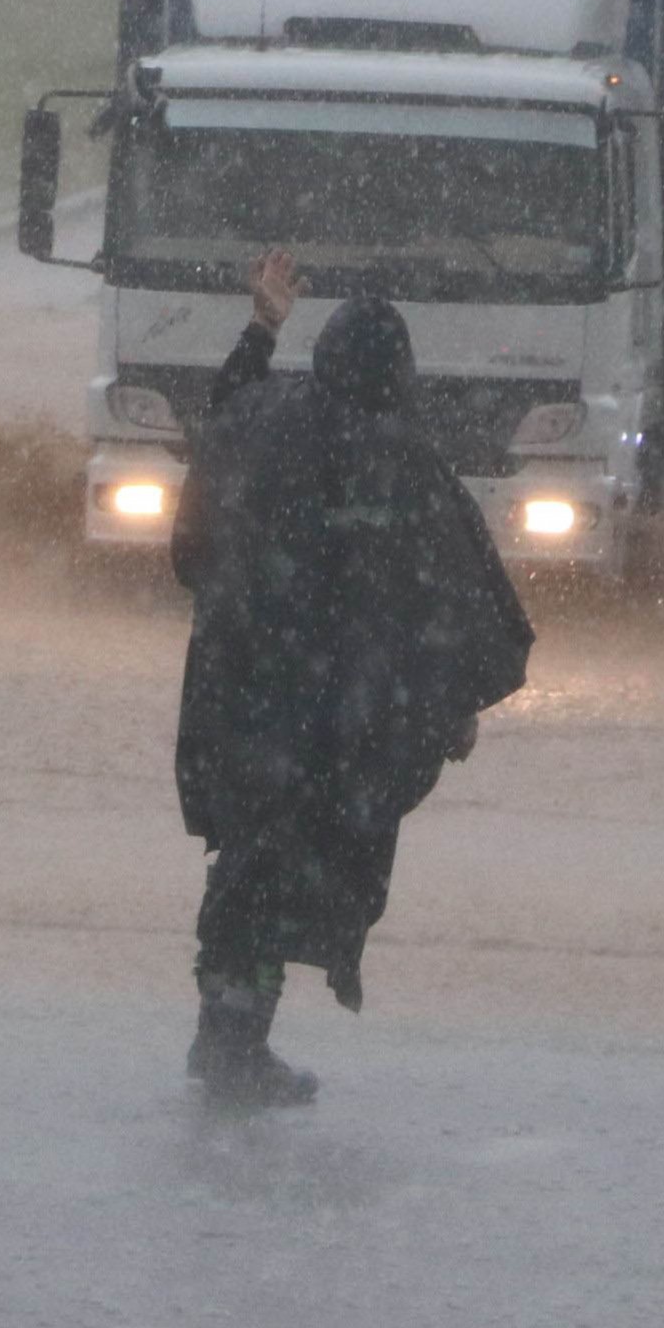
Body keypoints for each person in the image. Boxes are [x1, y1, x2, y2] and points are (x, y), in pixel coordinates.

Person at [167, 249, 534, 1109]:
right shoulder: (406, 464)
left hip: (238, 692)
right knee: (283, 871)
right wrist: (455, 704)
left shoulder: (262, 418)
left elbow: (213, 432)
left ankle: (225, 1036)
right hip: (333, 716)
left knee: (247, 866)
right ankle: (233, 1048)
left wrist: (261, 331)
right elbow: (456, 594)